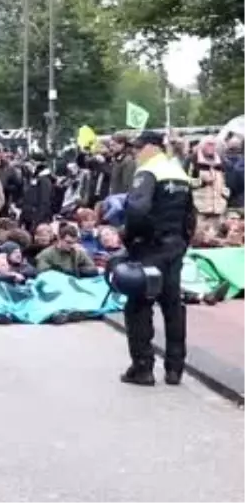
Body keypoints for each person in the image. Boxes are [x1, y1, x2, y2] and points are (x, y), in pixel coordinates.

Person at [120, 130, 196, 386]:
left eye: (138, 148)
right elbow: (190, 215)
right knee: (173, 306)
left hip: (149, 248)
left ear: (152, 147)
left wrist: (131, 239)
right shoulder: (179, 173)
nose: (135, 153)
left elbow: (137, 210)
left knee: (139, 306)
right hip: (174, 248)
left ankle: (143, 368)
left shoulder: (148, 172)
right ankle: (175, 368)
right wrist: (183, 243)